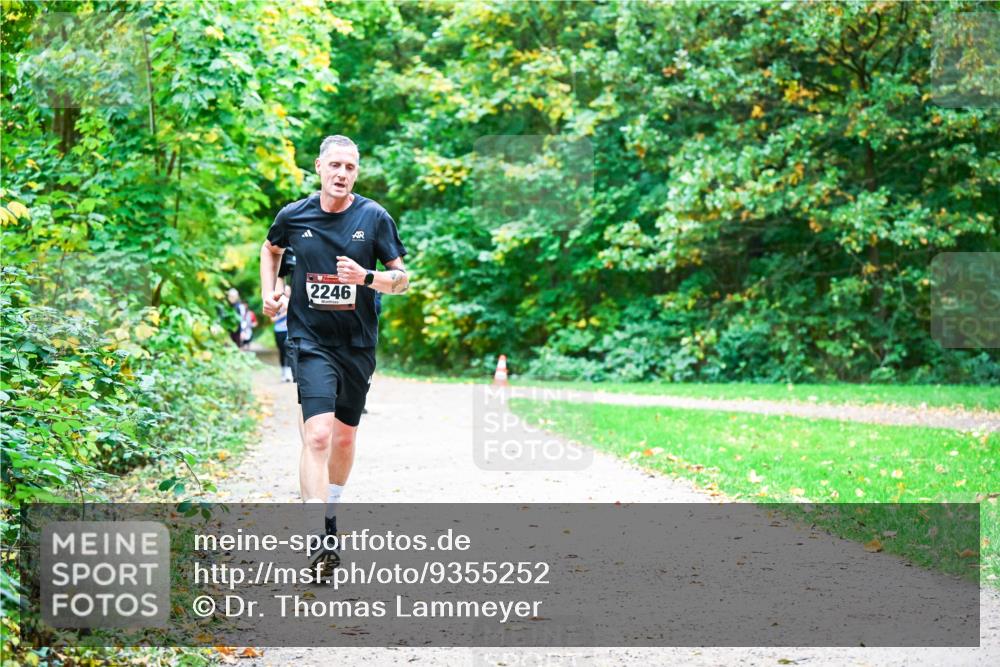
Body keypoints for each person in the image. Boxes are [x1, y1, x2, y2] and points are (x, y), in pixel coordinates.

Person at [259, 135, 409, 573]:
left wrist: (368, 278)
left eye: (351, 168)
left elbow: (402, 280)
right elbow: (271, 251)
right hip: (310, 340)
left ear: (356, 173)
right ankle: (319, 536)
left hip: (357, 344)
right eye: (336, 166)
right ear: (320, 168)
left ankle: (330, 508)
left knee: (344, 437)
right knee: (319, 435)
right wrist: (271, 291)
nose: (343, 174)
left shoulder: (374, 217)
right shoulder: (294, 215)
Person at [272, 284, 293, 382]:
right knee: (281, 351)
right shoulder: (276, 303)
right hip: (279, 330)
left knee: (289, 350)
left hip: (290, 330)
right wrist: (284, 313)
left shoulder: (293, 302)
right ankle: (283, 372)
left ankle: (289, 373)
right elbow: (272, 318)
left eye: (289, 290)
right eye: (285, 290)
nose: (287, 292)